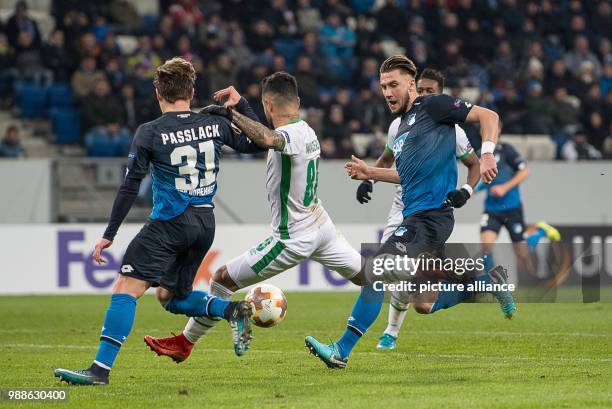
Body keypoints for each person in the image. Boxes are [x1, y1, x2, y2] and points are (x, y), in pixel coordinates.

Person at [53, 57, 264, 386]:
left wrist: (109, 234)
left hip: (169, 223)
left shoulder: (150, 132)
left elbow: (129, 186)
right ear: (192, 92)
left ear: (157, 93)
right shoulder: (215, 123)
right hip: (205, 223)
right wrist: (241, 107)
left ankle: (99, 371)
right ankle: (230, 310)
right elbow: (259, 143)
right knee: (170, 296)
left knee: (127, 287)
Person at [304, 55, 512, 369]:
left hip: (428, 218)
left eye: (393, 85)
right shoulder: (401, 128)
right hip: (422, 218)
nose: (387, 92)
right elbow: (409, 175)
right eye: (383, 86)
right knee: (424, 303)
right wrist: (371, 172)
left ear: (411, 84)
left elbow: (489, 116)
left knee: (375, 272)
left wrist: (486, 155)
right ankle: (486, 283)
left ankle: (341, 349)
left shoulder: (433, 106)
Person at [144, 73, 364, 363]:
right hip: (322, 226)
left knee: (222, 280)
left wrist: (230, 113)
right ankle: (422, 291)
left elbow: (266, 137)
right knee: (373, 279)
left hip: (293, 237)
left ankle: (185, 343)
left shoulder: (288, 136)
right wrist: (243, 106)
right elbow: (265, 135)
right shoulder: (306, 130)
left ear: (268, 105)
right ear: (297, 102)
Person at [360, 68, 480, 351]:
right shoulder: (398, 124)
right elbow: (388, 158)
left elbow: (473, 163)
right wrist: (370, 178)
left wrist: (467, 190)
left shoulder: (453, 129)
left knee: (393, 271)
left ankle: (387, 332)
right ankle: (470, 280)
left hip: (429, 210)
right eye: (421, 91)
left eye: (430, 92)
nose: (424, 97)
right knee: (414, 293)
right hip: (401, 207)